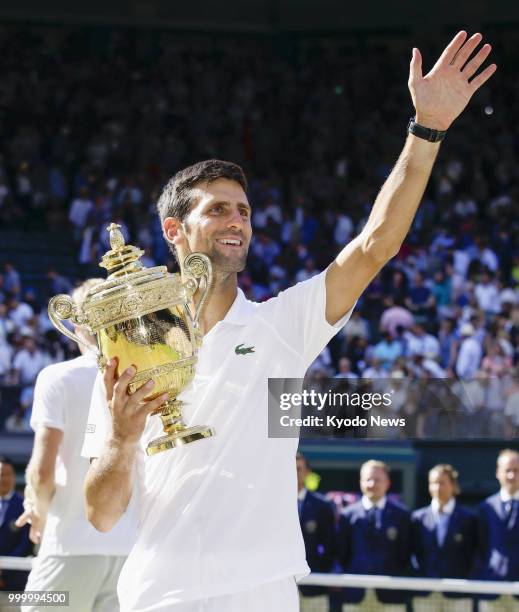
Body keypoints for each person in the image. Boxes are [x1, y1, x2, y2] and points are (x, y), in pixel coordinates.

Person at [82, 30, 496, 612]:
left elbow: (375, 245)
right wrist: (122, 441)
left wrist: (426, 131)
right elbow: (101, 516)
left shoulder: (282, 326)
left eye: (244, 211)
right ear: (174, 230)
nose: (237, 221)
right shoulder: (126, 350)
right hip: (160, 597)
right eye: (217, 209)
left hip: (264, 594)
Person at [15, 280, 138, 612]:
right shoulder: (145, 380)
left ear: (76, 322)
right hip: (132, 552)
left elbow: (42, 471)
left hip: (68, 546)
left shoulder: (57, 378)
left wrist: (38, 512)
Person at [337, 460, 411, 611]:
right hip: (355, 593)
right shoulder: (347, 515)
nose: (372, 484)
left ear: (387, 483)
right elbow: (342, 553)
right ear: (361, 482)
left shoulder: (402, 515)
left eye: (377, 480)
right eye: (368, 479)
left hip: (391, 593)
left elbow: (405, 554)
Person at [411, 464, 478, 612]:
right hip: (425, 592)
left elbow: (473, 555)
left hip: (458, 593)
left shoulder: (468, 519)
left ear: (453, 486)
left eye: (442, 482)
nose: (437, 487)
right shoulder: (417, 518)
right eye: (433, 483)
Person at [476, 449, 519, 612]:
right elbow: (479, 548)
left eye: (516, 471)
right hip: (491, 589)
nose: (511, 475)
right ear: (498, 472)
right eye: (507, 470)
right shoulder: (485, 508)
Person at [296, 453, 335, 612]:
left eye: (298, 469)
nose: (294, 473)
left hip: (315, 587)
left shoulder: (323, 506)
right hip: (282, 588)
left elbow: (330, 546)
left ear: (307, 473)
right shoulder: (273, 504)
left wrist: (320, 573)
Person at [0, 457, 31, 593]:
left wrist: (4, 568)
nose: (4, 479)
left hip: (14, 580)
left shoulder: (24, 505)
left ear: (14, 477)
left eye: (8, 474)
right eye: (1, 475)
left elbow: (26, 543)